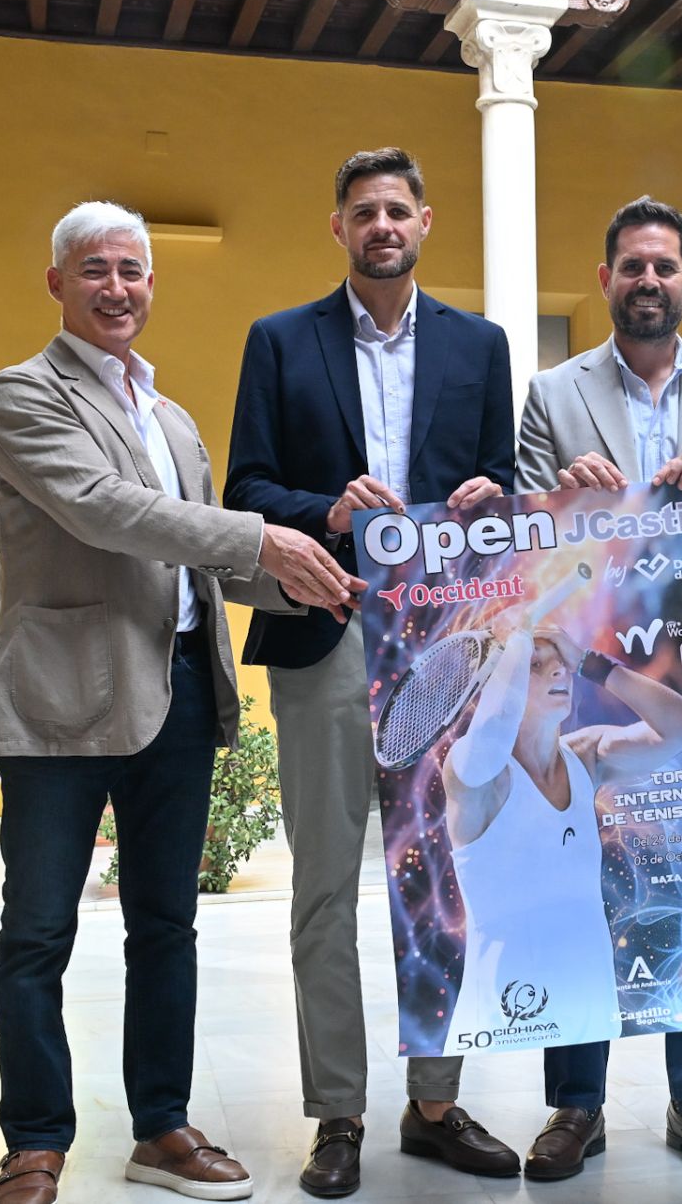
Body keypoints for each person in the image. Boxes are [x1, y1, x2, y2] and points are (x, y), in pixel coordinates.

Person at [0, 202, 365, 1204]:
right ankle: (35, 1139)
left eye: (133, 271)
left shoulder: (174, 418)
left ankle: (163, 1122)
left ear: (151, 285)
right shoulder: (24, 396)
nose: (117, 286)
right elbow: (104, 509)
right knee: (38, 929)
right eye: (95, 268)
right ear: (57, 283)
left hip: (181, 692)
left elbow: (212, 565)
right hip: (61, 700)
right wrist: (258, 537)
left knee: (166, 922)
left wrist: (304, 579)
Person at [224, 149, 517, 1194]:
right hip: (327, 632)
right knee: (321, 890)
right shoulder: (280, 342)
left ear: (425, 222)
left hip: (442, 643)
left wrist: (491, 499)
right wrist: (327, 511)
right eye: (364, 211)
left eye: (398, 208)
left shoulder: (480, 347)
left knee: (438, 880)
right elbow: (248, 485)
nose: (383, 223)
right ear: (338, 227)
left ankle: (436, 1102)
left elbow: (508, 487)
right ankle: (336, 1111)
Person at [512, 195, 682, 1179]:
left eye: (665, 266)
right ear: (607, 279)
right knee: (581, 880)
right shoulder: (552, 393)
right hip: (589, 666)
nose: (649, 281)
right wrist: (560, 498)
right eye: (632, 266)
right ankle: (574, 1107)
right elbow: (520, 529)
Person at [437, 618, 682, 1131]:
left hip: (586, 992)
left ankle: (584, 1118)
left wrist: (594, 665)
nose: (557, 670)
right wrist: (513, 643)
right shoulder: (474, 774)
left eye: (559, 662)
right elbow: (493, 728)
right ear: (498, 682)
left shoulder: (586, 753)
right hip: (503, 999)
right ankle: (571, 1113)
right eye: (536, 666)